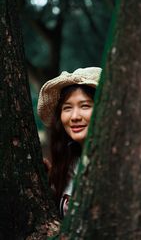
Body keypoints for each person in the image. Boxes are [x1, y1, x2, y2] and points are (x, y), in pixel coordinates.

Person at [37, 67, 102, 218]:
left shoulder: (117, 161)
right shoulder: (68, 163)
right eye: (67, 108)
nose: (74, 116)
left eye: (85, 106)